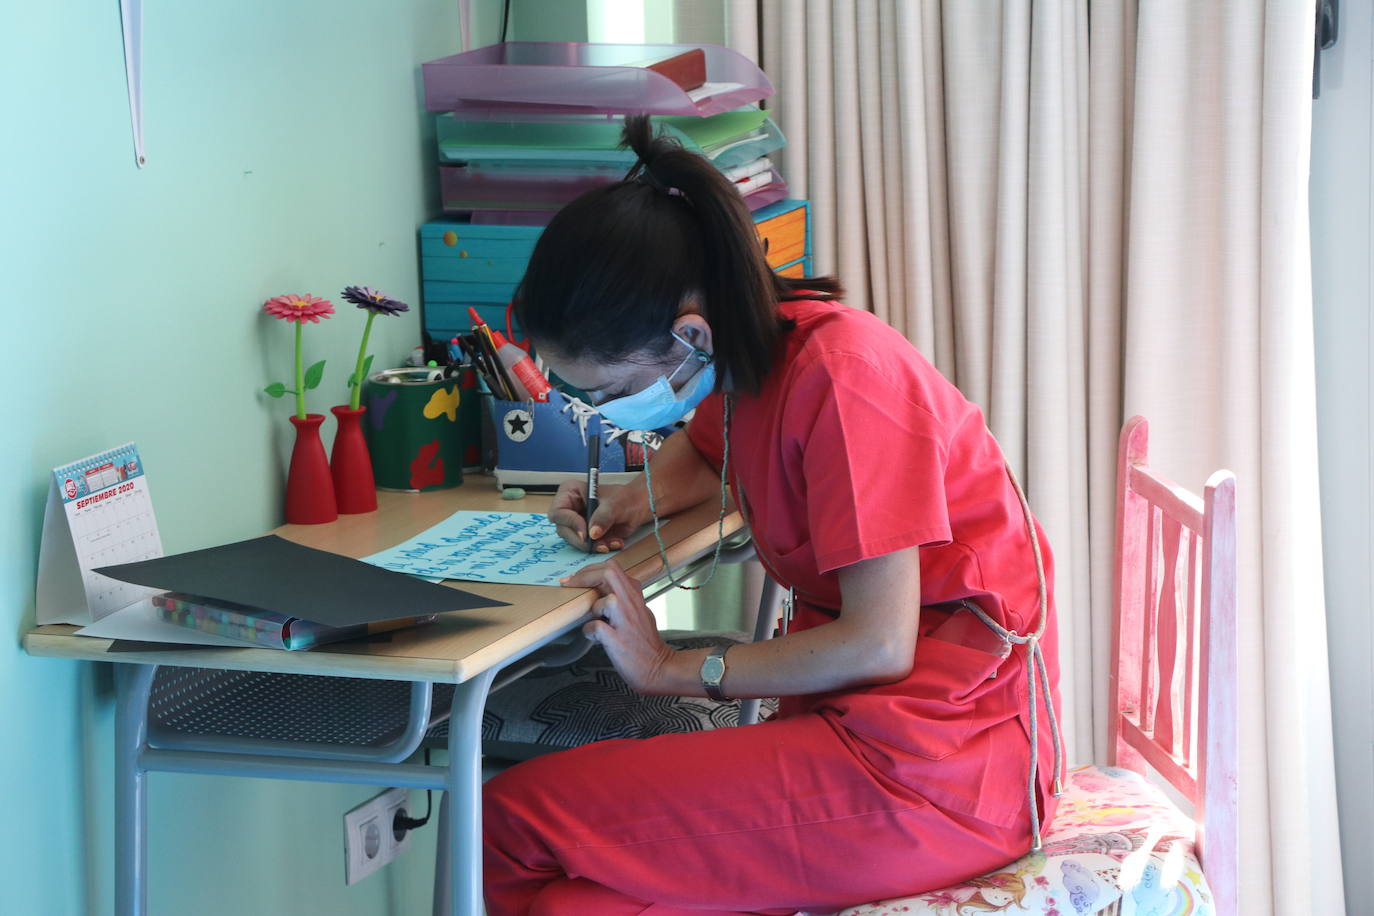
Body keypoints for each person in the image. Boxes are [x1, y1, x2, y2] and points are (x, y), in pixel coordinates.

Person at [482, 115, 1064, 916]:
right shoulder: (759, 357)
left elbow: (879, 642)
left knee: (508, 822)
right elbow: (708, 448)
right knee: (574, 903)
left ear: (690, 335)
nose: (613, 414)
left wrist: (669, 670)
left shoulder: (845, 380)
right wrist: (626, 498)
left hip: (937, 770)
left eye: (615, 392)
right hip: (875, 730)